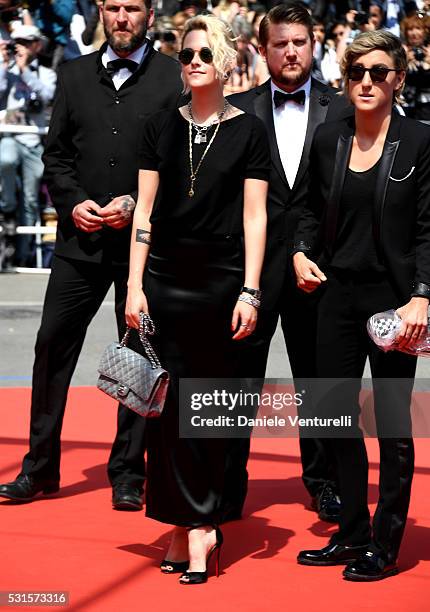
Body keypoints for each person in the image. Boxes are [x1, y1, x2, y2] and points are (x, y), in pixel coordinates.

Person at [0, 0, 183, 509]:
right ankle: (38, 468)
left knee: (139, 354)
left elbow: (176, 163)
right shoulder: (75, 74)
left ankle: (128, 472)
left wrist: (136, 202)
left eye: (132, 8)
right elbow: (56, 152)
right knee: (51, 346)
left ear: (150, 13)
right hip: (79, 245)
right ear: (102, 12)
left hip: (140, 247)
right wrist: (73, 200)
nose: (122, 18)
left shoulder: (173, 78)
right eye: (113, 7)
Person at [126, 14, 270, 583]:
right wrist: (135, 286)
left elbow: (255, 216)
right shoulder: (158, 125)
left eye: (203, 55)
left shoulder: (249, 131)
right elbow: (143, 213)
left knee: (206, 411)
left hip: (219, 285)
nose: (192, 63)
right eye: (186, 55)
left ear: (225, 61)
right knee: (164, 416)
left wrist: (252, 290)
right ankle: (180, 524)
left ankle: (204, 523)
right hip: (163, 283)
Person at [294, 30, 430, 581]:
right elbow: (304, 208)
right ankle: (351, 532)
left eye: (378, 72)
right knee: (333, 416)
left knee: (393, 425)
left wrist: (422, 296)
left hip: (396, 303)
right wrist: (301, 253)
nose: (367, 82)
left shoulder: (421, 142)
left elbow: (428, 229)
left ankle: (387, 541)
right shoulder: (329, 138)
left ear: (398, 78)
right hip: (334, 297)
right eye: (356, 73)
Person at [228, 2, 350, 523]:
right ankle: (225, 480)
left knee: (318, 382)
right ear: (263, 49)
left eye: (299, 41)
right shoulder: (236, 109)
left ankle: (325, 482)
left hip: (315, 270)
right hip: (249, 269)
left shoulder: (342, 108)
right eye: (281, 43)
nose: (291, 51)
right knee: (236, 380)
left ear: (314, 43)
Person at [0, 24, 56, 267]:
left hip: (33, 140)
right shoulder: (6, 70)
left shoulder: (46, 73)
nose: (21, 46)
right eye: (17, 42)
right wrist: (5, 65)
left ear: (37, 45)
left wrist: (25, 71)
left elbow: (47, 96)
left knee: (32, 199)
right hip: (10, 137)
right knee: (6, 160)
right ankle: (7, 210)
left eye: (26, 42)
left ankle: (23, 255)